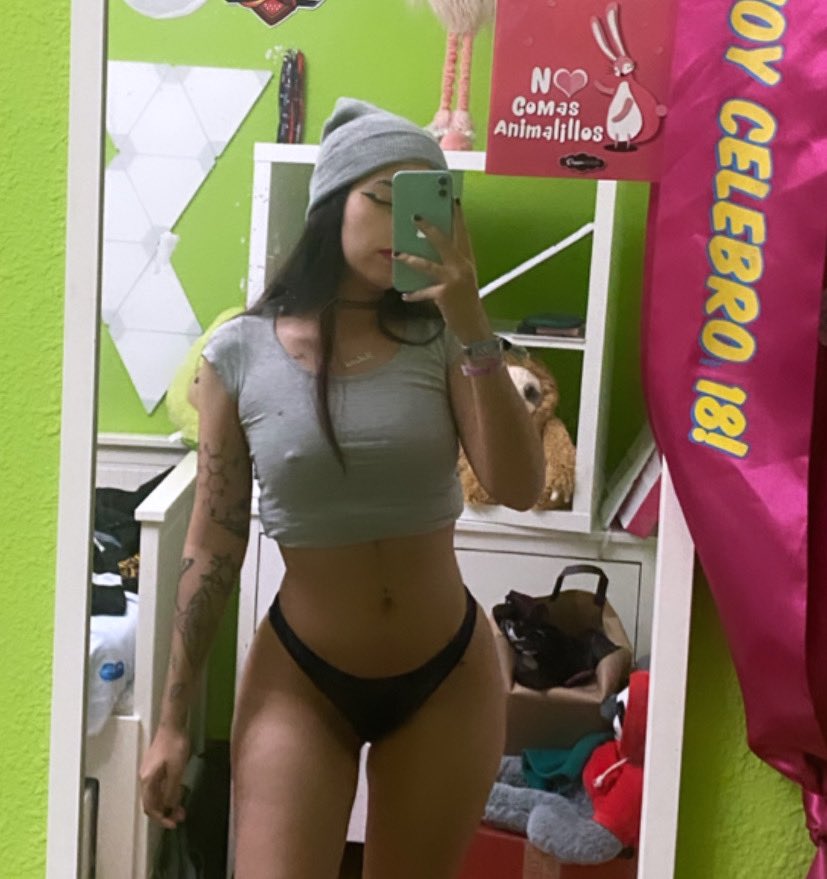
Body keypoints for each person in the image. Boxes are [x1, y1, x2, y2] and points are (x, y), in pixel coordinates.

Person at [139, 97, 545, 879]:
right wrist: (172, 722)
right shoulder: (239, 354)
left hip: (446, 676)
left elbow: (518, 486)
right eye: (384, 198)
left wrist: (470, 321)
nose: (406, 225)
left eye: (426, 204)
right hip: (302, 680)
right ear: (332, 202)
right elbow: (213, 542)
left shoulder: (442, 339)